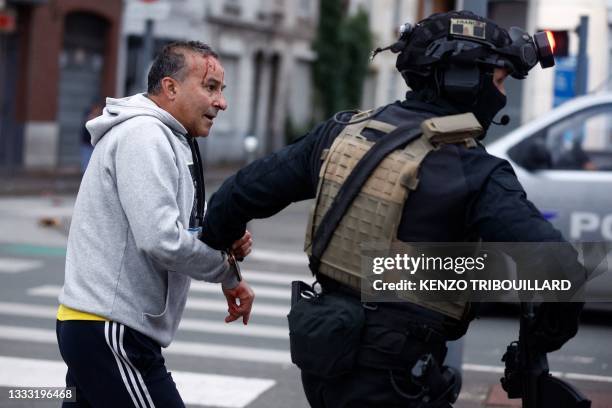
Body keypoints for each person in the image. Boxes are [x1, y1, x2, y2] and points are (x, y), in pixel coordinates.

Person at [200, 11, 588, 408]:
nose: (502, 96)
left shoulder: (341, 133)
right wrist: (538, 343)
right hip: (397, 374)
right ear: (463, 80)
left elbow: (235, 196)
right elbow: (559, 269)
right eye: (499, 81)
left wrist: (225, 254)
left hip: (324, 358)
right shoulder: (475, 170)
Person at [56, 41, 255, 408]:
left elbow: (179, 224)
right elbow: (161, 240)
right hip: (112, 330)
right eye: (210, 87)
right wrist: (224, 268)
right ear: (171, 87)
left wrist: (226, 250)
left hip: (99, 327)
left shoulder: (171, 136)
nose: (221, 102)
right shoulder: (144, 136)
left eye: (221, 91)